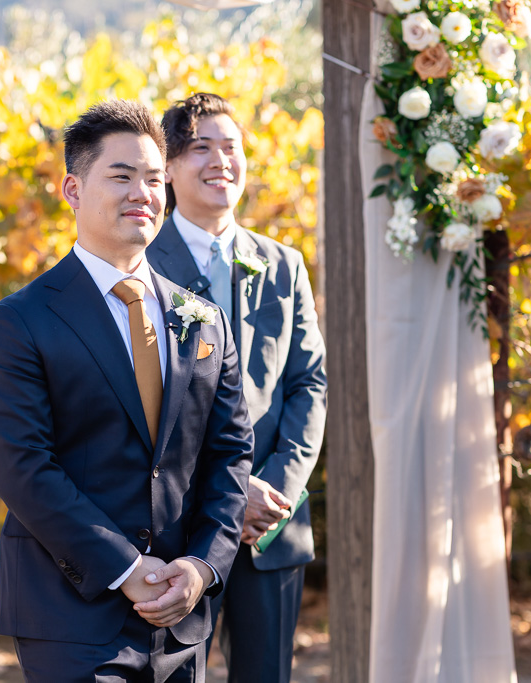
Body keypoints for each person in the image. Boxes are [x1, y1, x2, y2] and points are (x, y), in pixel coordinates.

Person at [0, 99, 254, 682]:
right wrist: (126, 567)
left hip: (181, 615)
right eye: (121, 176)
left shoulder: (202, 319)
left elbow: (229, 455)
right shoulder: (18, 323)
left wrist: (200, 567)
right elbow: (23, 467)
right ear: (72, 189)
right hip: (71, 612)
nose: (142, 193)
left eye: (154, 179)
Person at [147, 93, 328, 683]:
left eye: (232, 147)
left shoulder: (282, 264)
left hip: (271, 526)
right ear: (169, 168)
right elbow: (140, 403)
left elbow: (308, 383)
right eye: (201, 147)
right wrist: (228, 492)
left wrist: (272, 490)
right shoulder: (141, 265)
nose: (221, 160)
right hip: (180, 528)